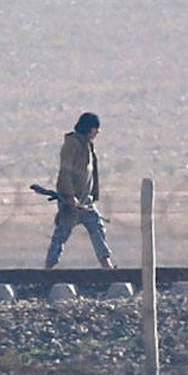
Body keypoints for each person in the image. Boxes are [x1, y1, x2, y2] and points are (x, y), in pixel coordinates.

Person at [44, 112, 115, 269]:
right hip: (71, 204)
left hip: (85, 202)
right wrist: (70, 197)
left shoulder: (87, 145)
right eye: (96, 129)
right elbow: (65, 172)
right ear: (89, 129)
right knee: (61, 236)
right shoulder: (72, 144)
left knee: (98, 230)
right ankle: (47, 270)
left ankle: (108, 267)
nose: (98, 132)